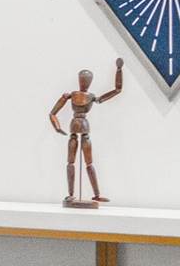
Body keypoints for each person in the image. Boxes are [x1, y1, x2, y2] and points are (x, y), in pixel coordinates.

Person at [49, 60, 126, 208]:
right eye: (83, 80)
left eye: (87, 80)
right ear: (79, 80)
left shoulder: (90, 96)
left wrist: (118, 70)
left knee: (88, 162)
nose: (85, 82)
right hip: (75, 128)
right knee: (71, 162)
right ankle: (71, 194)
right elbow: (53, 113)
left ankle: (96, 194)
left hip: (84, 128)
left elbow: (117, 90)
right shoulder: (71, 95)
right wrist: (57, 126)